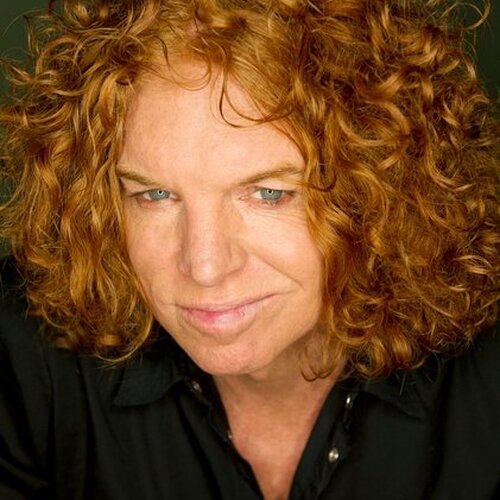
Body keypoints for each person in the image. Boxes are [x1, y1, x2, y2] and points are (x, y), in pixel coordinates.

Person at [0, 0, 498, 498]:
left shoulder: (484, 377)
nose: (205, 266)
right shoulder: (24, 358)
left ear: (381, 192)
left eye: (269, 194)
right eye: (155, 195)